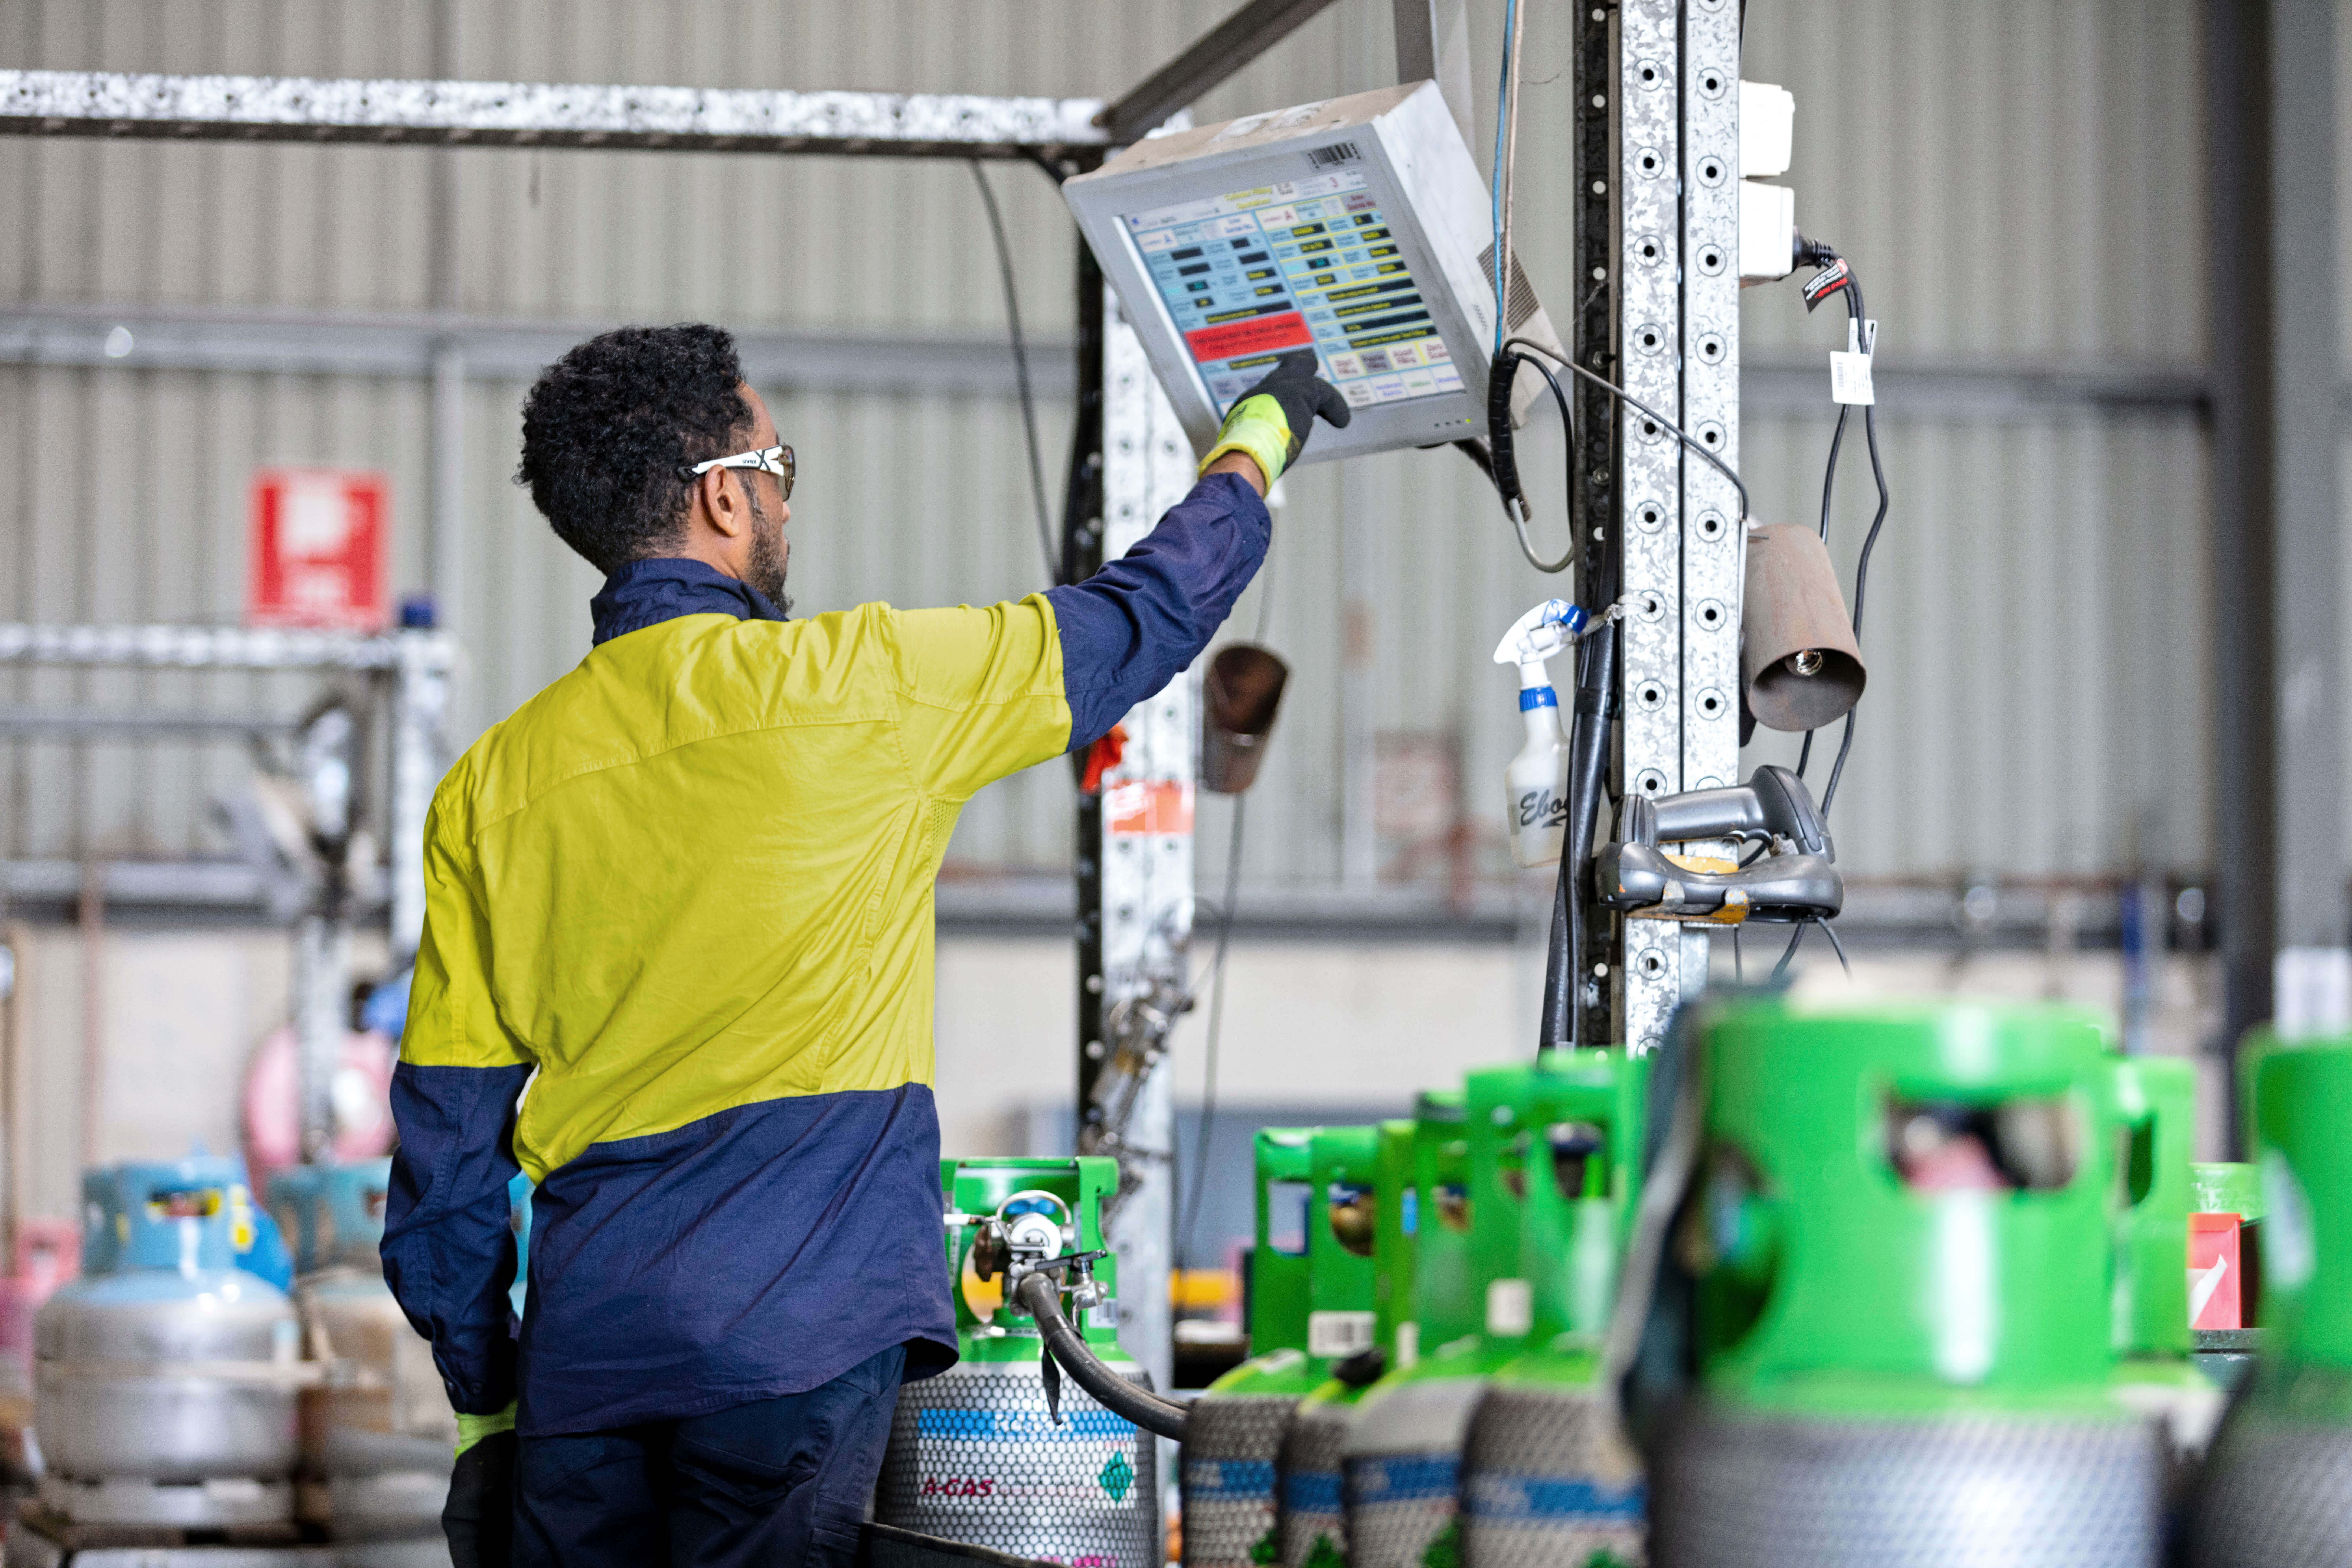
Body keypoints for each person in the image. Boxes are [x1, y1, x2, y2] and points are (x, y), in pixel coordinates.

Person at [380, 323, 1350, 1568]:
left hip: (587, 1362)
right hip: (796, 1335)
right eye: (777, 462)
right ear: (724, 496)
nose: (787, 494)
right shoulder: (867, 687)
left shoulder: (492, 789)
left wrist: (491, 1407)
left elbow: (447, 1157)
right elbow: (1147, 612)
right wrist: (1257, 441)